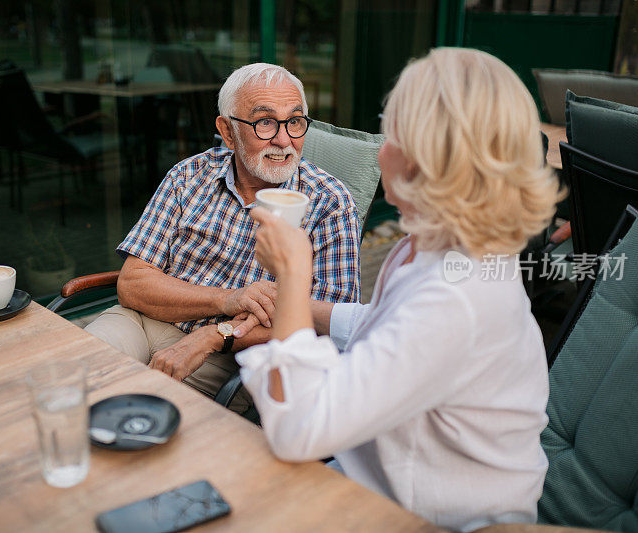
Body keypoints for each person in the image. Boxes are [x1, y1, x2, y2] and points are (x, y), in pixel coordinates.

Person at [237, 48, 562, 531]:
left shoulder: (459, 298)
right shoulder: (439, 245)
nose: (379, 150)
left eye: (390, 135)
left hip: (427, 516)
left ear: (429, 160)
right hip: (368, 483)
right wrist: (310, 309)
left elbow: (298, 429)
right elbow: (390, 326)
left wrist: (292, 275)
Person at [85, 63, 361, 413]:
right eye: (264, 122)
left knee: (139, 411)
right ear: (227, 132)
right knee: (75, 376)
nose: (283, 139)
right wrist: (229, 300)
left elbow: (322, 327)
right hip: (142, 321)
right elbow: (133, 284)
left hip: (234, 357)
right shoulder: (189, 176)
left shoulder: (330, 203)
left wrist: (218, 335)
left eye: (294, 121)